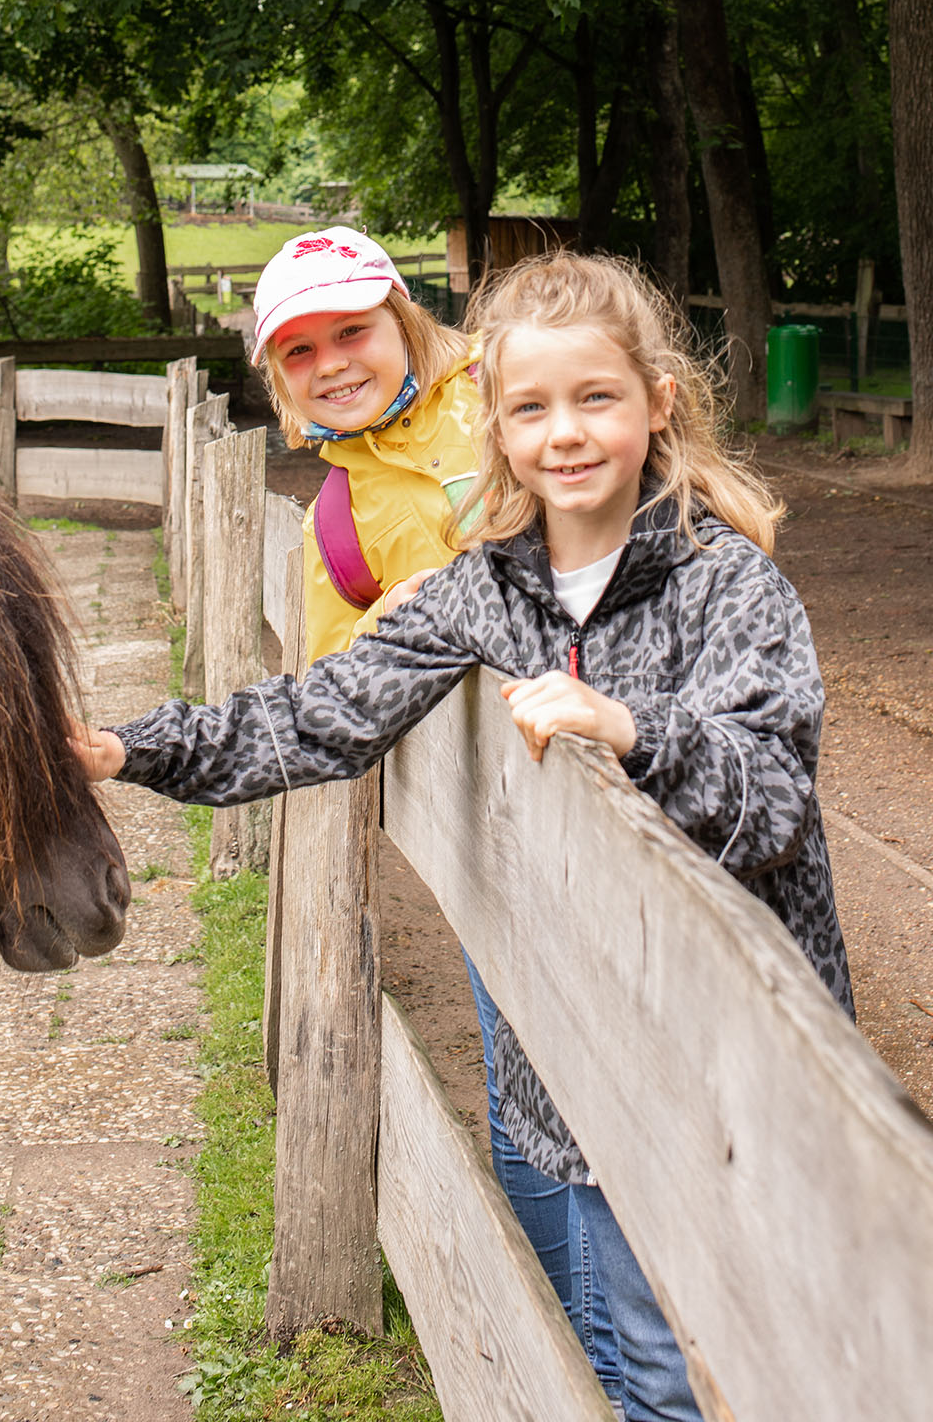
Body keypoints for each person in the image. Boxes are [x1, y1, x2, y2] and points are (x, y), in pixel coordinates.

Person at [77, 250, 853, 1422]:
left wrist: (629, 730)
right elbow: (317, 713)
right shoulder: (482, 593)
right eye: (530, 409)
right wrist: (129, 749)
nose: (565, 435)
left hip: (727, 1067)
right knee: (637, 1361)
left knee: (770, 1342)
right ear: (493, 431)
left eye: (595, 399)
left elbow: (770, 802)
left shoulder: (726, 588)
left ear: (659, 405)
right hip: (565, 1049)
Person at [250, 225, 622, 1402]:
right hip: (502, 844)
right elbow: (325, 696)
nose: (332, 362)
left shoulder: (515, 382)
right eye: (299, 349)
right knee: (529, 1112)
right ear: (277, 376)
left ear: (403, 314)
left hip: (633, 783)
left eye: (350, 329)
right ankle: (586, 1365)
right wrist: (393, 618)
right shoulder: (337, 523)